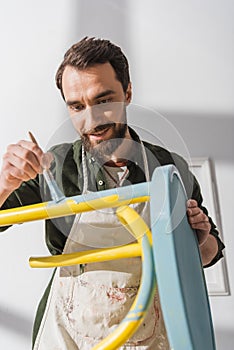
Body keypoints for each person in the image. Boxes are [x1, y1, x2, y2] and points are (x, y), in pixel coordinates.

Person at [0, 37, 225, 349]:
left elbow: (210, 253)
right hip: (67, 334)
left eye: (104, 102)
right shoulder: (54, 166)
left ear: (127, 93)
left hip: (149, 333)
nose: (91, 121)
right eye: (76, 106)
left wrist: (194, 242)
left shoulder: (171, 167)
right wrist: (5, 183)